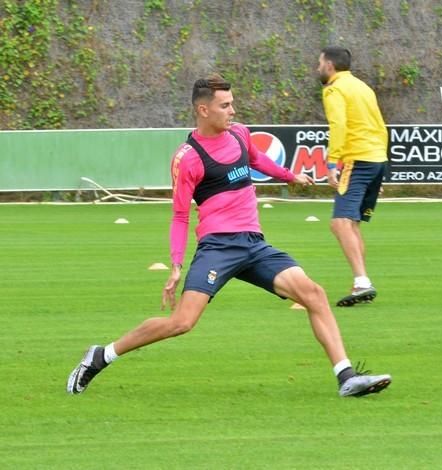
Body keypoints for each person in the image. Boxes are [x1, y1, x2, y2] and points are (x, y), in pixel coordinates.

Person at [67, 73, 392, 397]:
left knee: (314, 294)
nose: (233, 111)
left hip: (254, 245)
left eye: (232, 103)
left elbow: (257, 159)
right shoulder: (188, 157)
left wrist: (289, 175)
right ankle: (102, 355)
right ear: (203, 110)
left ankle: (346, 377)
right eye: (225, 105)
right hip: (218, 248)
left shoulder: (239, 135)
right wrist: (176, 265)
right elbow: (180, 215)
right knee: (181, 322)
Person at [317, 46, 389, 307]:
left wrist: (333, 162)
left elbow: (338, 125)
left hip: (356, 158)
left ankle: (362, 282)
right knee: (353, 223)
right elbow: (380, 124)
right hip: (376, 157)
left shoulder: (334, 89)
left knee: (339, 223)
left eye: (320, 64)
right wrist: (379, 162)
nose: (318, 69)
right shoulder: (362, 87)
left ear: (330, 66)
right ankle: (361, 280)